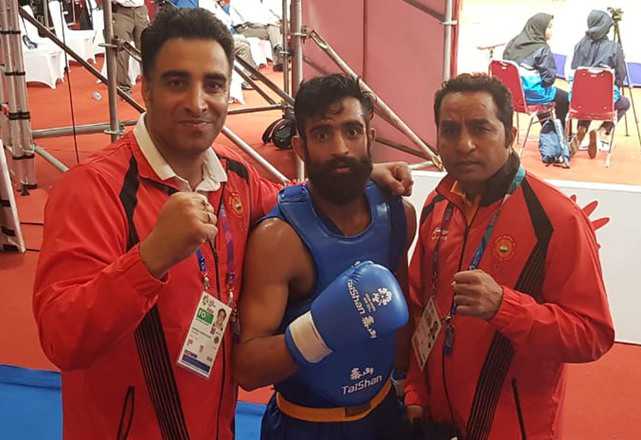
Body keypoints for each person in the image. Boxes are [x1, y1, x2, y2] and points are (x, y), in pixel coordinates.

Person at [33, 9, 411, 439]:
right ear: (147, 88)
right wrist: (150, 258)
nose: (197, 103)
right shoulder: (92, 190)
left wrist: (360, 174)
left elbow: (302, 201)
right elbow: (62, 338)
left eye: (213, 84)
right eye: (178, 82)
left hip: (215, 426)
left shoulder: (238, 181)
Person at [403, 73, 615, 439]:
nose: (464, 144)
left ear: (510, 135)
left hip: (513, 428)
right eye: (450, 130)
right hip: (437, 421)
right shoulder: (437, 206)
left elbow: (592, 335)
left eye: (481, 128)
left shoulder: (556, 220)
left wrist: (505, 307)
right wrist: (416, 389)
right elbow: (422, 306)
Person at [234, 74, 417, 439]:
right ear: (300, 148)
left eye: (352, 131)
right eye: (322, 135)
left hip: (385, 417)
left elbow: (401, 325)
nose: (341, 149)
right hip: (306, 427)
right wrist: (318, 332)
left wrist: (411, 390)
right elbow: (248, 368)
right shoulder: (279, 240)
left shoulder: (399, 216)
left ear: (370, 137)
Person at [569, 9, 630, 159]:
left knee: (588, 100)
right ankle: (601, 132)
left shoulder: (579, 45)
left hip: (580, 99)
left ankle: (581, 129)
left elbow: (574, 68)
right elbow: (621, 75)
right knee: (624, 103)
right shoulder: (614, 47)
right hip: (604, 100)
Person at [503, 13, 569, 129]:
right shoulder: (542, 49)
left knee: (541, 92)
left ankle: (549, 127)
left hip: (510, 94)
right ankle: (559, 135)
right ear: (539, 28)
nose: (551, 31)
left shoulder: (513, 42)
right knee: (565, 98)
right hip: (531, 95)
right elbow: (549, 79)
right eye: (549, 27)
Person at [226, 0, 284, 71]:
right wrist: (268, 23)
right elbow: (249, 19)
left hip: (257, 26)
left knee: (274, 29)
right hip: (244, 28)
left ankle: (278, 50)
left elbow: (265, 13)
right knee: (274, 30)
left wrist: (273, 21)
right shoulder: (238, 1)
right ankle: (279, 57)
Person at [110, 0, 150, 94]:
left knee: (146, 49)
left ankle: (151, 84)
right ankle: (124, 88)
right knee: (121, 49)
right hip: (121, 11)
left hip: (140, 10)